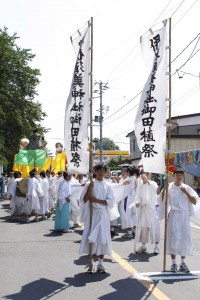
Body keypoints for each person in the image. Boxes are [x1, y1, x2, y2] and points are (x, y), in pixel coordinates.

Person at [158, 165, 199, 272]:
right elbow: (162, 201)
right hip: (173, 215)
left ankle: (183, 263)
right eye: (177, 174)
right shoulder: (169, 187)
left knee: (184, 238)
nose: (179, 176)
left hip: (184, 216)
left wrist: (186, 193)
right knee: (173, 238)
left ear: (183, 175)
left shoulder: (186, 188)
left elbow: (194, 201)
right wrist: (164, 189)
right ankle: (174, 263)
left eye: (181, 174)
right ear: (173, 175)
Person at [79, 163, 115, 274]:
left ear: (105, 172)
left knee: (102, 238)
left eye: (103, 171)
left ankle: (100, 264)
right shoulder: (90, 184)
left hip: (103, 215)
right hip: (92, 214)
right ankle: (91, 262)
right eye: (98, 170)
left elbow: (110, 202)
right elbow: (84, 200)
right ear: (95, 171)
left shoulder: (108, 185)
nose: (101, 173)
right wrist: (89, 189)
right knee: (91, 238)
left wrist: (96, 200)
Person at [135, 170, 160, 254]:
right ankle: (143, 245)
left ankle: (156, 246)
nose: (143, 176)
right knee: (143, 227)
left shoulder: (152, 183)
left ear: (148, 175)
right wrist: (137, 202)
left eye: (144, 174)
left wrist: (147, 181)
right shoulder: (140, 186)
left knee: (154, 227)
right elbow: (137, 196)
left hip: (152, 210)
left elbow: (155, 188)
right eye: (141, 174)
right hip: (143, 209)